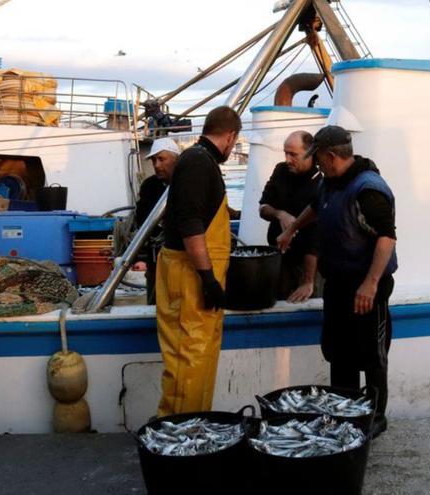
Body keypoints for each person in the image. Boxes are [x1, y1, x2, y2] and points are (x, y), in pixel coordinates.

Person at [277, 125, 397, 438]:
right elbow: (316, 209)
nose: (315, 164)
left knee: (371, 355)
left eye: (317, 158)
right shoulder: (331, 182)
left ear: (331, 156)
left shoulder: (368, 189)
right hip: (339, 285)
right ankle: (345, 412)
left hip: (366, 287)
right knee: (339, 352)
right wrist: (291, 229)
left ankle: (374, 418)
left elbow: (387, 238)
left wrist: (370, 284)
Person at [155, 106, 242, 417]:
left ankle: (197, 426)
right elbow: (191, 224)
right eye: (235, 142)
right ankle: (176, 434)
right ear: (231, 136)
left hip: (197, 278)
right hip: (188, 276)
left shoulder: (201, 162)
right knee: (187, 359)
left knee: (201, 355)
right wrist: (207, 278)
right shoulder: (196, 163)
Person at [259, 130, 322, 302]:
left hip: (308, 263)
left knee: (306, 303)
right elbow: (263, 207)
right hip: (278, 258)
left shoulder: (321, 182)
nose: (287, 159)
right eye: (285, 153)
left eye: (293, 155)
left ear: (310, 154)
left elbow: (315, 239)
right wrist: (280, 214)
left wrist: (308, 281)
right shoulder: (281, 171)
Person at [134, 137, 180, 304]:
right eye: (154, 160)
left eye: (161, 159)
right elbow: (142, 220)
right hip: (156, 259)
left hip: (180, 260)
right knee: (155, 303)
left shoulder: (186, 183)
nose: (156, 165)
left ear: (176, 158)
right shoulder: (149, 186)